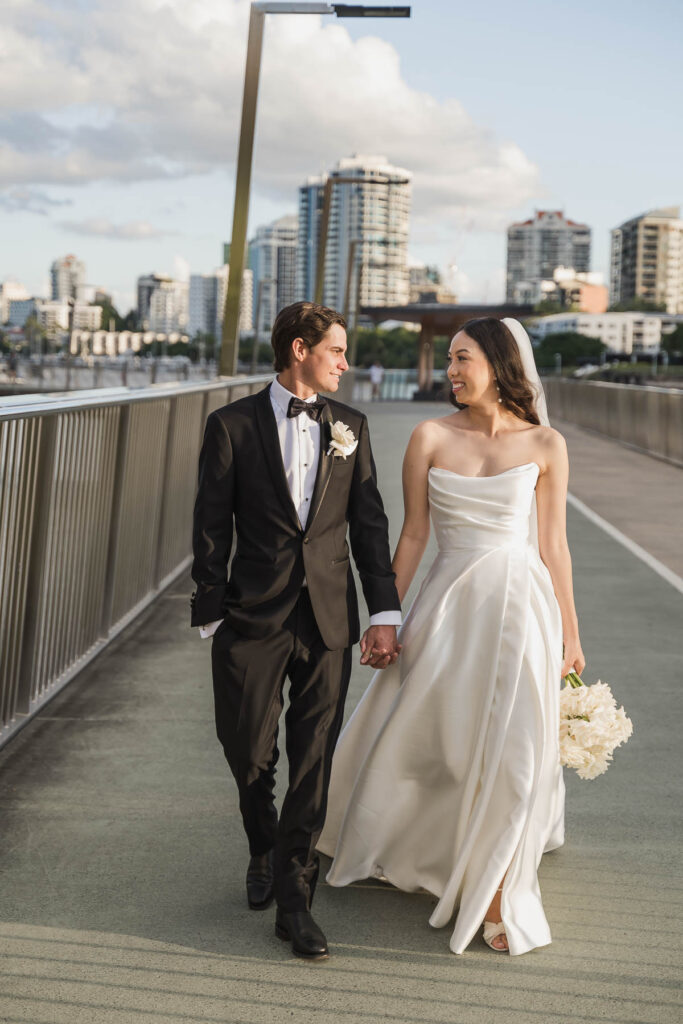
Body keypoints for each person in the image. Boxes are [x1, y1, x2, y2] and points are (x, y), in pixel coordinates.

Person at [318, 316, 585, 956]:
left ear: (498, 363)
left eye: (464, 359)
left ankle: (495, 894)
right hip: (447, 608)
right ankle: (427, 847)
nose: (452, 371)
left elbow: (554, 546)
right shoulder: (429, 436)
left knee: (518, 753)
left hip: (524, 610)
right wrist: (387, 615)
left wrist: (572, 634)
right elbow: (412, 536)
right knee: (441, 743)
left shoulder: (546, 444)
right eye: (451, 361)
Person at [191, 301, 401, 962]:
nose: (346, 362)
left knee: (312, 759)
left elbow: (369, 526)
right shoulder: (231, 426)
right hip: (251, 617)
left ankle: (294, 898)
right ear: (300, 350)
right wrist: (211, 610)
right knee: (247, 750)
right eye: (336, 350)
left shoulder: (352, 426)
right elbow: (209, 526)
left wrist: (384, 611)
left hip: (328, 617)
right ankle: (262, 842)